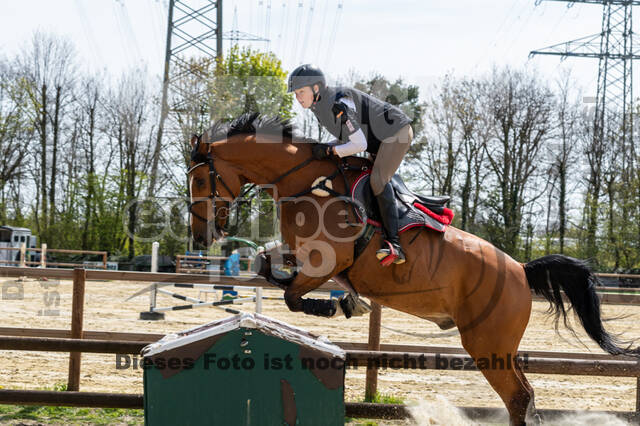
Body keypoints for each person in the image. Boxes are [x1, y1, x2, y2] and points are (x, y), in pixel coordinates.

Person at [287, 64, 414, 266]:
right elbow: (348, 139)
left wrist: (329, 150)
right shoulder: (319, 108)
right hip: (377, 140)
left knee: (378, 180)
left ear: (317, 88)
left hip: (395, 133)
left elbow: (358, 144)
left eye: (301, 92)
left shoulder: (339, 103)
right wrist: (325, 147)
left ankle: (395, 244)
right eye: (295, 94)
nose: (298, 98)